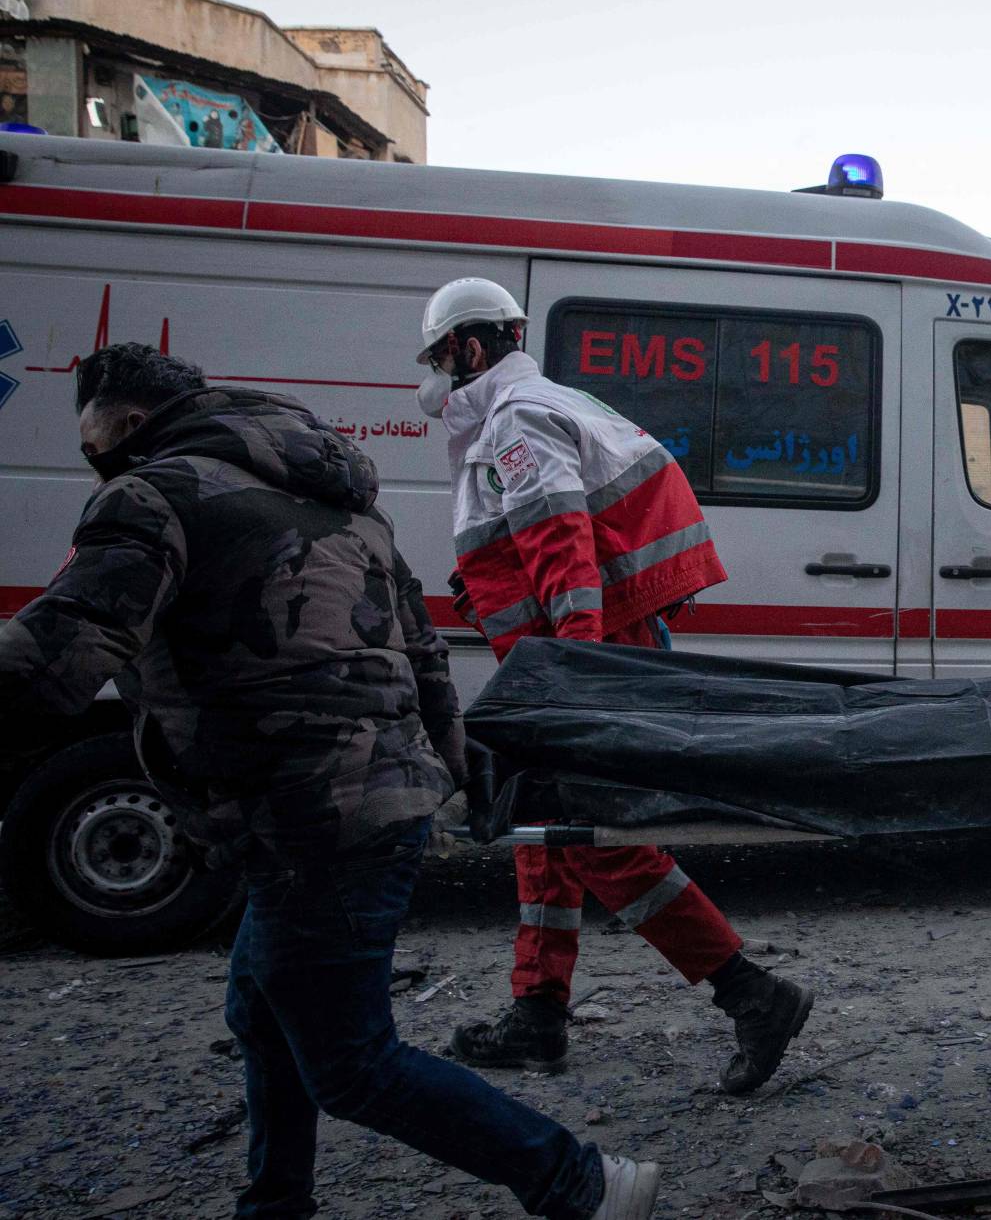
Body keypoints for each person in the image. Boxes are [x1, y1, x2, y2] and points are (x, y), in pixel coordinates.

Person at [0, 345, 655, 1219]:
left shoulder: (150, 496)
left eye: (92, 442)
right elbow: (425, 655)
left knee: (352, 1064)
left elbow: (63, 647)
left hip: (307, 815)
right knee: (264, 1010)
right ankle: (276, 1203)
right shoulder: (346, 502)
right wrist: (454, 777)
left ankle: (583, 1182)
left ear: (127, 422)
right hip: (364, 803)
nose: (93, 460)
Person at [416, 277, 812, 1095]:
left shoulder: (516, 418)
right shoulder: (538, 405)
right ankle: (538, 1009)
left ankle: (751, 992)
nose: (435, 375)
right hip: (565, 650)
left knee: (594, 839)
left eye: (439, 357)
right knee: (544, 828)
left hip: (578, 652)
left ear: (470, 347)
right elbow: (543, 541)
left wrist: (578, 673)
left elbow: (562, 545)